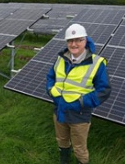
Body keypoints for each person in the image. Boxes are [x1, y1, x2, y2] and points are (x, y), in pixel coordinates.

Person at [46, 24, 111, 164]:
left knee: (79, 148)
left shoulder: (96, 63)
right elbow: (50, 77)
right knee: (62, 141)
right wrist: (51, 91)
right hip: (59, 110)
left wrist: (81, 102)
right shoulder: (61, 59)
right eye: (70, 40)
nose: (73, 44)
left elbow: (104, 90)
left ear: (85, 41)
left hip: (79, 114)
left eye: (78, 40)